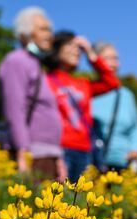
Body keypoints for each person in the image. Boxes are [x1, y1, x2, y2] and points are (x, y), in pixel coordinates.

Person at [0, 7, 66, 181]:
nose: (49, 35)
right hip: (32, 153)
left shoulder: (35, 64)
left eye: (49, 29)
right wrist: (22, 150)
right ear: (25, 34)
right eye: (43, 29)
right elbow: (14, 109)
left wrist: (57, 155)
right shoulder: (17, 61)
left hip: (47, 152)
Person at [45, 31, 120, 182]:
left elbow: (112, 82)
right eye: (70, 45)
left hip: (84, 149)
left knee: (79, 200)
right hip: (59, 147)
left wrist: (91, 54)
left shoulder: (83, 84)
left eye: (78, 47)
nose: (76, 50)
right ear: (57, 49)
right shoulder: (46, 80)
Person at [91, 42, 137, 172]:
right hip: (95, 163)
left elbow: (135, 127)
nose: (114, 63)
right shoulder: (89, 91)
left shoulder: (126, 95)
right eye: (108, 58)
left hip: (125, 162)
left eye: (115, 58)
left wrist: (136, 149)